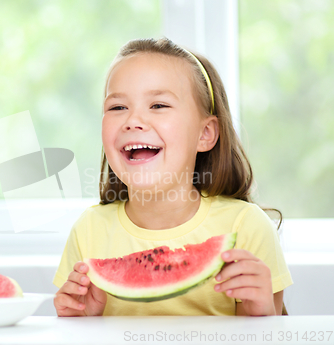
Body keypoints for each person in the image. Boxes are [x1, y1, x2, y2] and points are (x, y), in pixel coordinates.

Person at [52, 37, 293, 316]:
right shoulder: (89, 230)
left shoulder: (246, 227)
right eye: (118, 107)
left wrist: (260, 314)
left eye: (158, 106)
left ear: (205, 134)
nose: (133, 121)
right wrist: (79, 320)